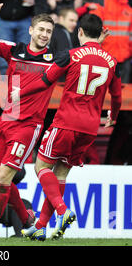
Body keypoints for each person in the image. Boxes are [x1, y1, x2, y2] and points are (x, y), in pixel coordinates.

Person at [17, 13, 122, 240]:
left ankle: (63, 212)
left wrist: (20, 93)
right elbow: (117, 95)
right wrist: (112, 115)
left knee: (41, 167)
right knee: (61, 173)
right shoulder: (112, 61)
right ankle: (41, 226)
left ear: (80, 32)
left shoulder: (71, 55)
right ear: (100, 33)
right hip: (90, 128)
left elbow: (45, 80)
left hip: (66, 123)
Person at [0, 0, 57, 243]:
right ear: (31, 30)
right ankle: (29, 221)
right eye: (41, 29)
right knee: (0, 179)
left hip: (28, 127)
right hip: (6, 123)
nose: (44, 34)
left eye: (49, 31)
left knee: (4, 179)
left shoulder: (54, 61)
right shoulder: (15, 50)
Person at [90, 0, 132, 83]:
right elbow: (92, 31)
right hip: (104, 59)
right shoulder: (101, 4)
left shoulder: (128, 8)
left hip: (124, 60)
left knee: (124, 96)